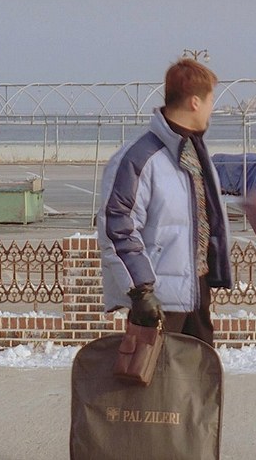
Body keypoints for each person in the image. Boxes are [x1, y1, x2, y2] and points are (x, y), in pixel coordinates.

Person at [97, 58, 232, 345]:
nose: (212, 109)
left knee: (200, 371)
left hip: (195, 291)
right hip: (157, 302)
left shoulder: (194, 152)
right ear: (195, 102)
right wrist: (141, 291)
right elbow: (118, 226)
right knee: (153, 374)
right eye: (211, 101)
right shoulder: (139, 158)